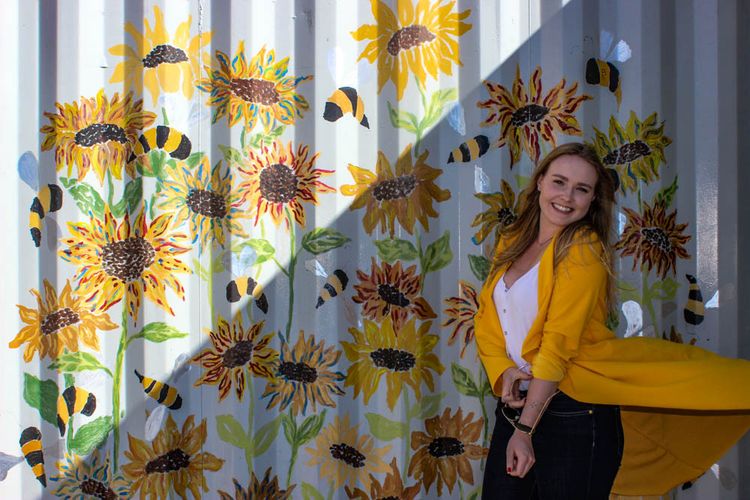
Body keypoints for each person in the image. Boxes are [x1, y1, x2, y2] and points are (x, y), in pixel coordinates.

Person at [475, 142, 750, 499]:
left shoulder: (582, 247)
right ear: (540, 182)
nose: (567, 196)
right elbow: (488, 318)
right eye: (559, 182)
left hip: (572, 412)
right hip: (517, 408)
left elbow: (558, 344)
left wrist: (526, 429)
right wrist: (503, 371)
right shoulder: (512, 240)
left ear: (592, 200)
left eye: (582, 189)